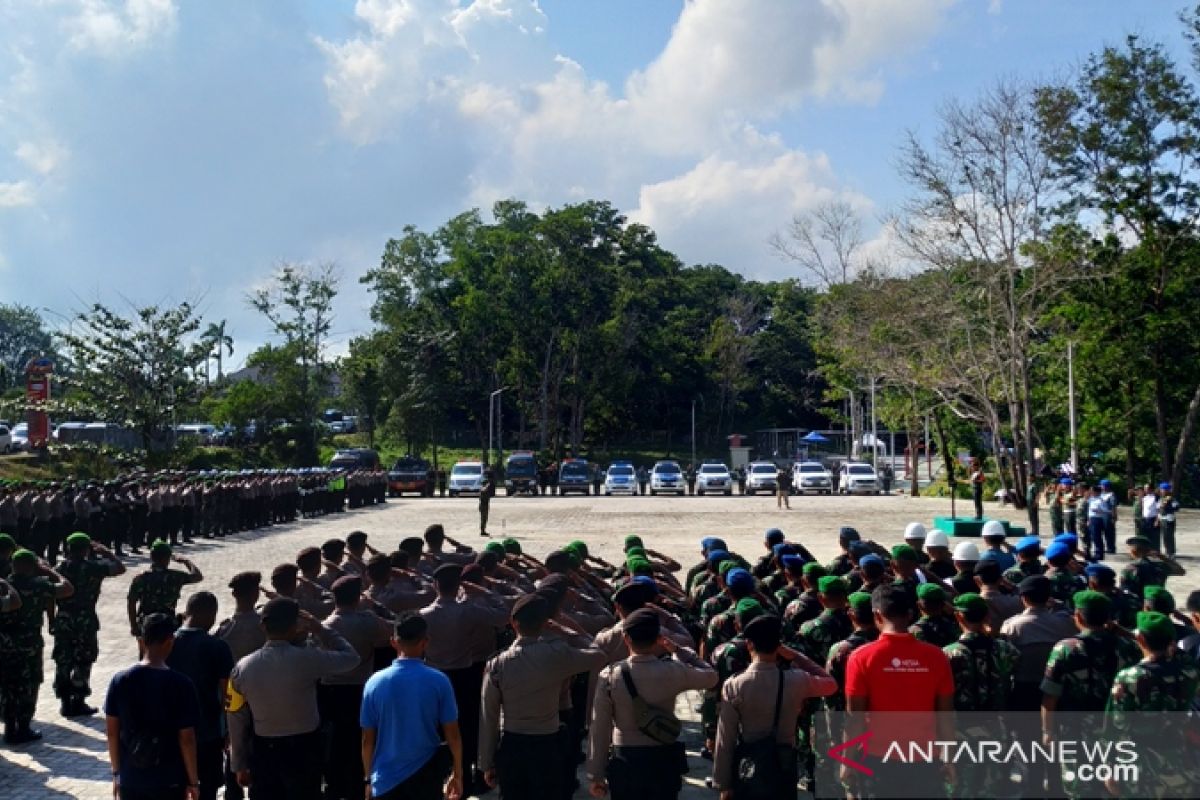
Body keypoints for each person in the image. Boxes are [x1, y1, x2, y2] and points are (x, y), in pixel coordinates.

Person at [225, 597, 360, 800]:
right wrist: (320, 628)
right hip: (304, 750)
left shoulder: (242, 668)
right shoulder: (309, 659)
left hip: (264, 751)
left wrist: (238, 764)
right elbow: (351, 657)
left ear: (263, 626)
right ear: (295, 627)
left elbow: (235, 717)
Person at [479, 593, 606, 798]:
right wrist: (567, 631)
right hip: (548, 746)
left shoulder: (497, 665)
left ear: (513, 623)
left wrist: (486, 762)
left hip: (512, 745)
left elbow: (489, 716)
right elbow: (599, 654)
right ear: (545, 624)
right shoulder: (557, 654)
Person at [587, 608, 717, 800]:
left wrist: (596, 774)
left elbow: (600, 728)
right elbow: (711, 677)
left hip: (626, 760)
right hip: (663, 759)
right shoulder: (673, 671)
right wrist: (680, 651)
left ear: (626, 638)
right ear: (658, 638)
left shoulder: (610, 676)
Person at [843, 584, 956, 795]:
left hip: (877, 760)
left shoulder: (860, 657)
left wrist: (847, 760)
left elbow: (855, 717)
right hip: (925, 759)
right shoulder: (936, 657)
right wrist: (949, 757)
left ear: (877, 615)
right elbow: (945, 715)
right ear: (910, 614)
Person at [712, 614, 837, 800]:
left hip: (748, 768)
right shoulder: (797, 679)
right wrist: (796, 656)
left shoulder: (735, 685)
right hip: (783, 767)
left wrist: (723, 784)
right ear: (778, 647)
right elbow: (831, 684)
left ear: (749, 645)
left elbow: (725, 740)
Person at [418, 564, 509, 793]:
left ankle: (440, 780)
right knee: (468, 729)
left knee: (436, 730)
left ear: (435, 585)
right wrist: (484, 591)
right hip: (465, 677)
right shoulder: (467, 610)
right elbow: (503, 616)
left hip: (434, 678)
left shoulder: (424, 615)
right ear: (459, 584)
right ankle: (466, 780)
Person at [361, 613, 463, 800]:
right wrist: (457, 773)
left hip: (385, 780)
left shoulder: (373, 683)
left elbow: (368, 740)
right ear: (425, 642)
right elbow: (453, 735)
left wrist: (368, 779)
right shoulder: (439, 681)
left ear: (393, 642)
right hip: (425, 775)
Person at [105, 613, 202, 800]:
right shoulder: (181, 684)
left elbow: (112, 733)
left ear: (141, 642)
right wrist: (193, 781)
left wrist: (117, 774)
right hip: (169, 779)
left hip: (131, 778)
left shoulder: (120, 681)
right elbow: (187, 738)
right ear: (170, 641)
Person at [1105, 611, 1200, 798]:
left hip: (1141, 765)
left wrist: (1109, 767)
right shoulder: (1190, 672)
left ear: (1140, 639)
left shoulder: (1130, 677)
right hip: (1180, 759)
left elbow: (1116, 725)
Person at [320, 575, 393, 800]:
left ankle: (334, 787)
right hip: (361, 689)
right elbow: (395, 630)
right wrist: (376, 607)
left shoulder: (324, 626)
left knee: (334, 744)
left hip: (331, 691)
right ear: (357, 597)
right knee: (361, 742)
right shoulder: (367, 621)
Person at [166, 592, 235, 800]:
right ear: (212, 616)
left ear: (187, 612)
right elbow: (227, 694)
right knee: (207, 789)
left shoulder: (166, 643)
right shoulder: (218, 647)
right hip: (207, 733)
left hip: (170, 733)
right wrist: (230, 731)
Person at [1, 548, 74, 743]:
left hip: (5, 643)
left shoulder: (5, 585)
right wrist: (50, 571)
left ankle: (9, 727)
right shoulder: (39, 585)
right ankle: (23, 727)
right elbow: (67, 588)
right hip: (30, 643)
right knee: (30, 683)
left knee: (8, 684)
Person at [53, 531, 125, 716]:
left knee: (63, 659)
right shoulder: (94, 567)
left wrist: (50, 619)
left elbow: (49, 595)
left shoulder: (59, 569)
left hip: (64, 617)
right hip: (85, 618)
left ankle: (64, 701)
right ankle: (78, 700)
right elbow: (119, 567)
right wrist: (106, 552)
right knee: (83, 659)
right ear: (86, 549)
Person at [127, 540, 203, 640]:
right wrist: (186, 561)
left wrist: (133, 625)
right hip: (168, 623)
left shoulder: (141, 578)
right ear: (167, 558)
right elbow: (198, 576)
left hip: (146, 622)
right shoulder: (175, 576)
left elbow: (131, 602)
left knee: (145, 653)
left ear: (151, 557)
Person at [479, 473, 495, 537]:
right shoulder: (482, 489)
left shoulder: (484, 489)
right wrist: (488, 484)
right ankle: (482, 531)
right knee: (483, 518)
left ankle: (483, 530)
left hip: (485, 505)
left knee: (485, 519)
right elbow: (484, 490)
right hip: (483, 506)